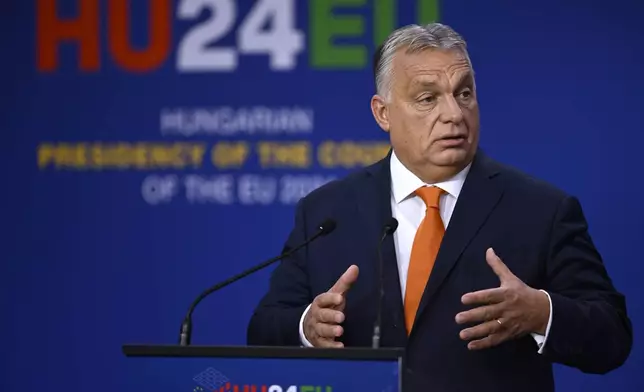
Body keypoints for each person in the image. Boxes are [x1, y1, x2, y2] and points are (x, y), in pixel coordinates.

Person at [246, 23, 632, 391]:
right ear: (383, 113)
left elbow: (612, 337)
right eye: (428, 98)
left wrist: (541, 313)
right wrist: (306, 327)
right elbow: (265, 328)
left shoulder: (542, 210)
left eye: (464, 93)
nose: (454, 114)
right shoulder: (325, 212)